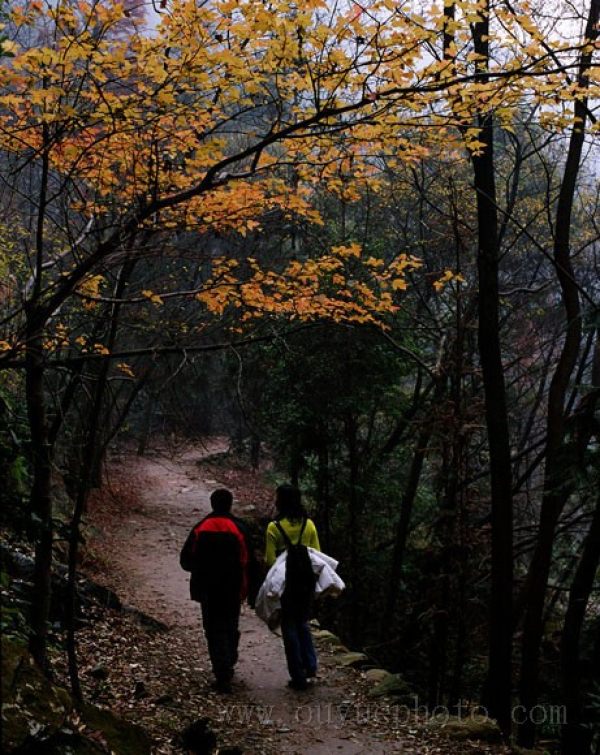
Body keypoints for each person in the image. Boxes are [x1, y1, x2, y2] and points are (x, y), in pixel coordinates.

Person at [180, 488, 248, 693]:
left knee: (213, 629)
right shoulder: (239, 527)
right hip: (233, 587)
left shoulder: (201, 527)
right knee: (230, 625)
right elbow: (248, 560)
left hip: (207, 588)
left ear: (212, 503)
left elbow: (185, 561)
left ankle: (222, 672)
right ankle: (229, 659)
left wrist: (201, 568)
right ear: (230, 504)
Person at [265, 484, 321, 690]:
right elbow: (317, 554)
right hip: (305, 581)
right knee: (303, 622)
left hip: (286, 583)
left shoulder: (274, 528)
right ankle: (310, 666)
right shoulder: (309, 525)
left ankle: (297, 674)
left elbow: (270, 560)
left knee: (288, 625)